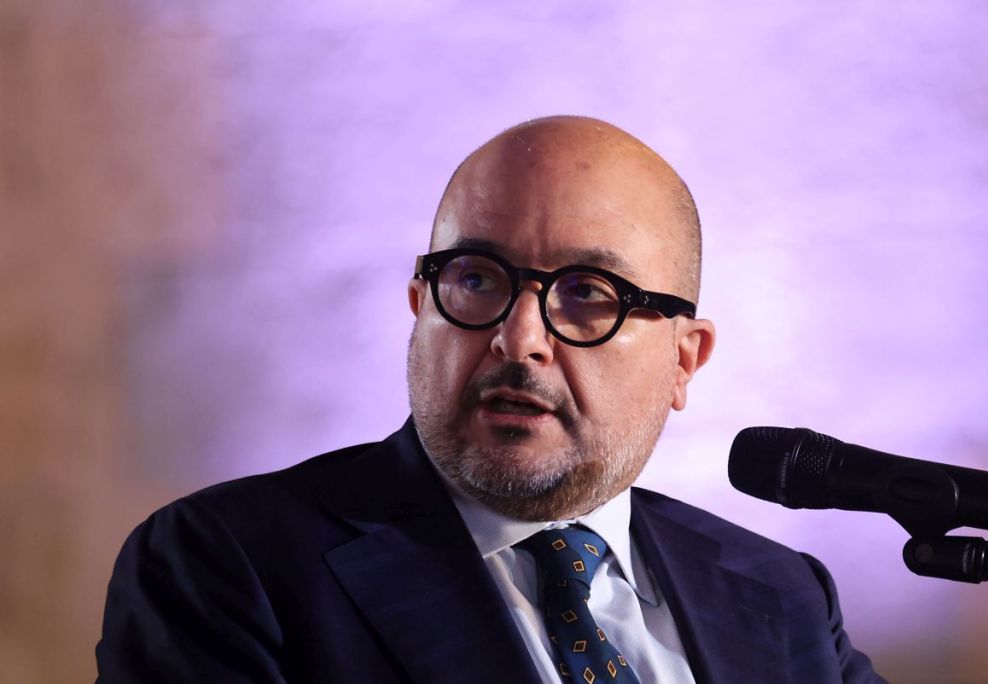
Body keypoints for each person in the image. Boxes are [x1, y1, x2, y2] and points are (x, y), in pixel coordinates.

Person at [96, 116, 885, 683]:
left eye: (587, 292)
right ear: (421, 308)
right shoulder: (229, 565)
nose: (519, 338)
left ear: (686, 359)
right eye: (476, 278)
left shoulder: (783, 596)